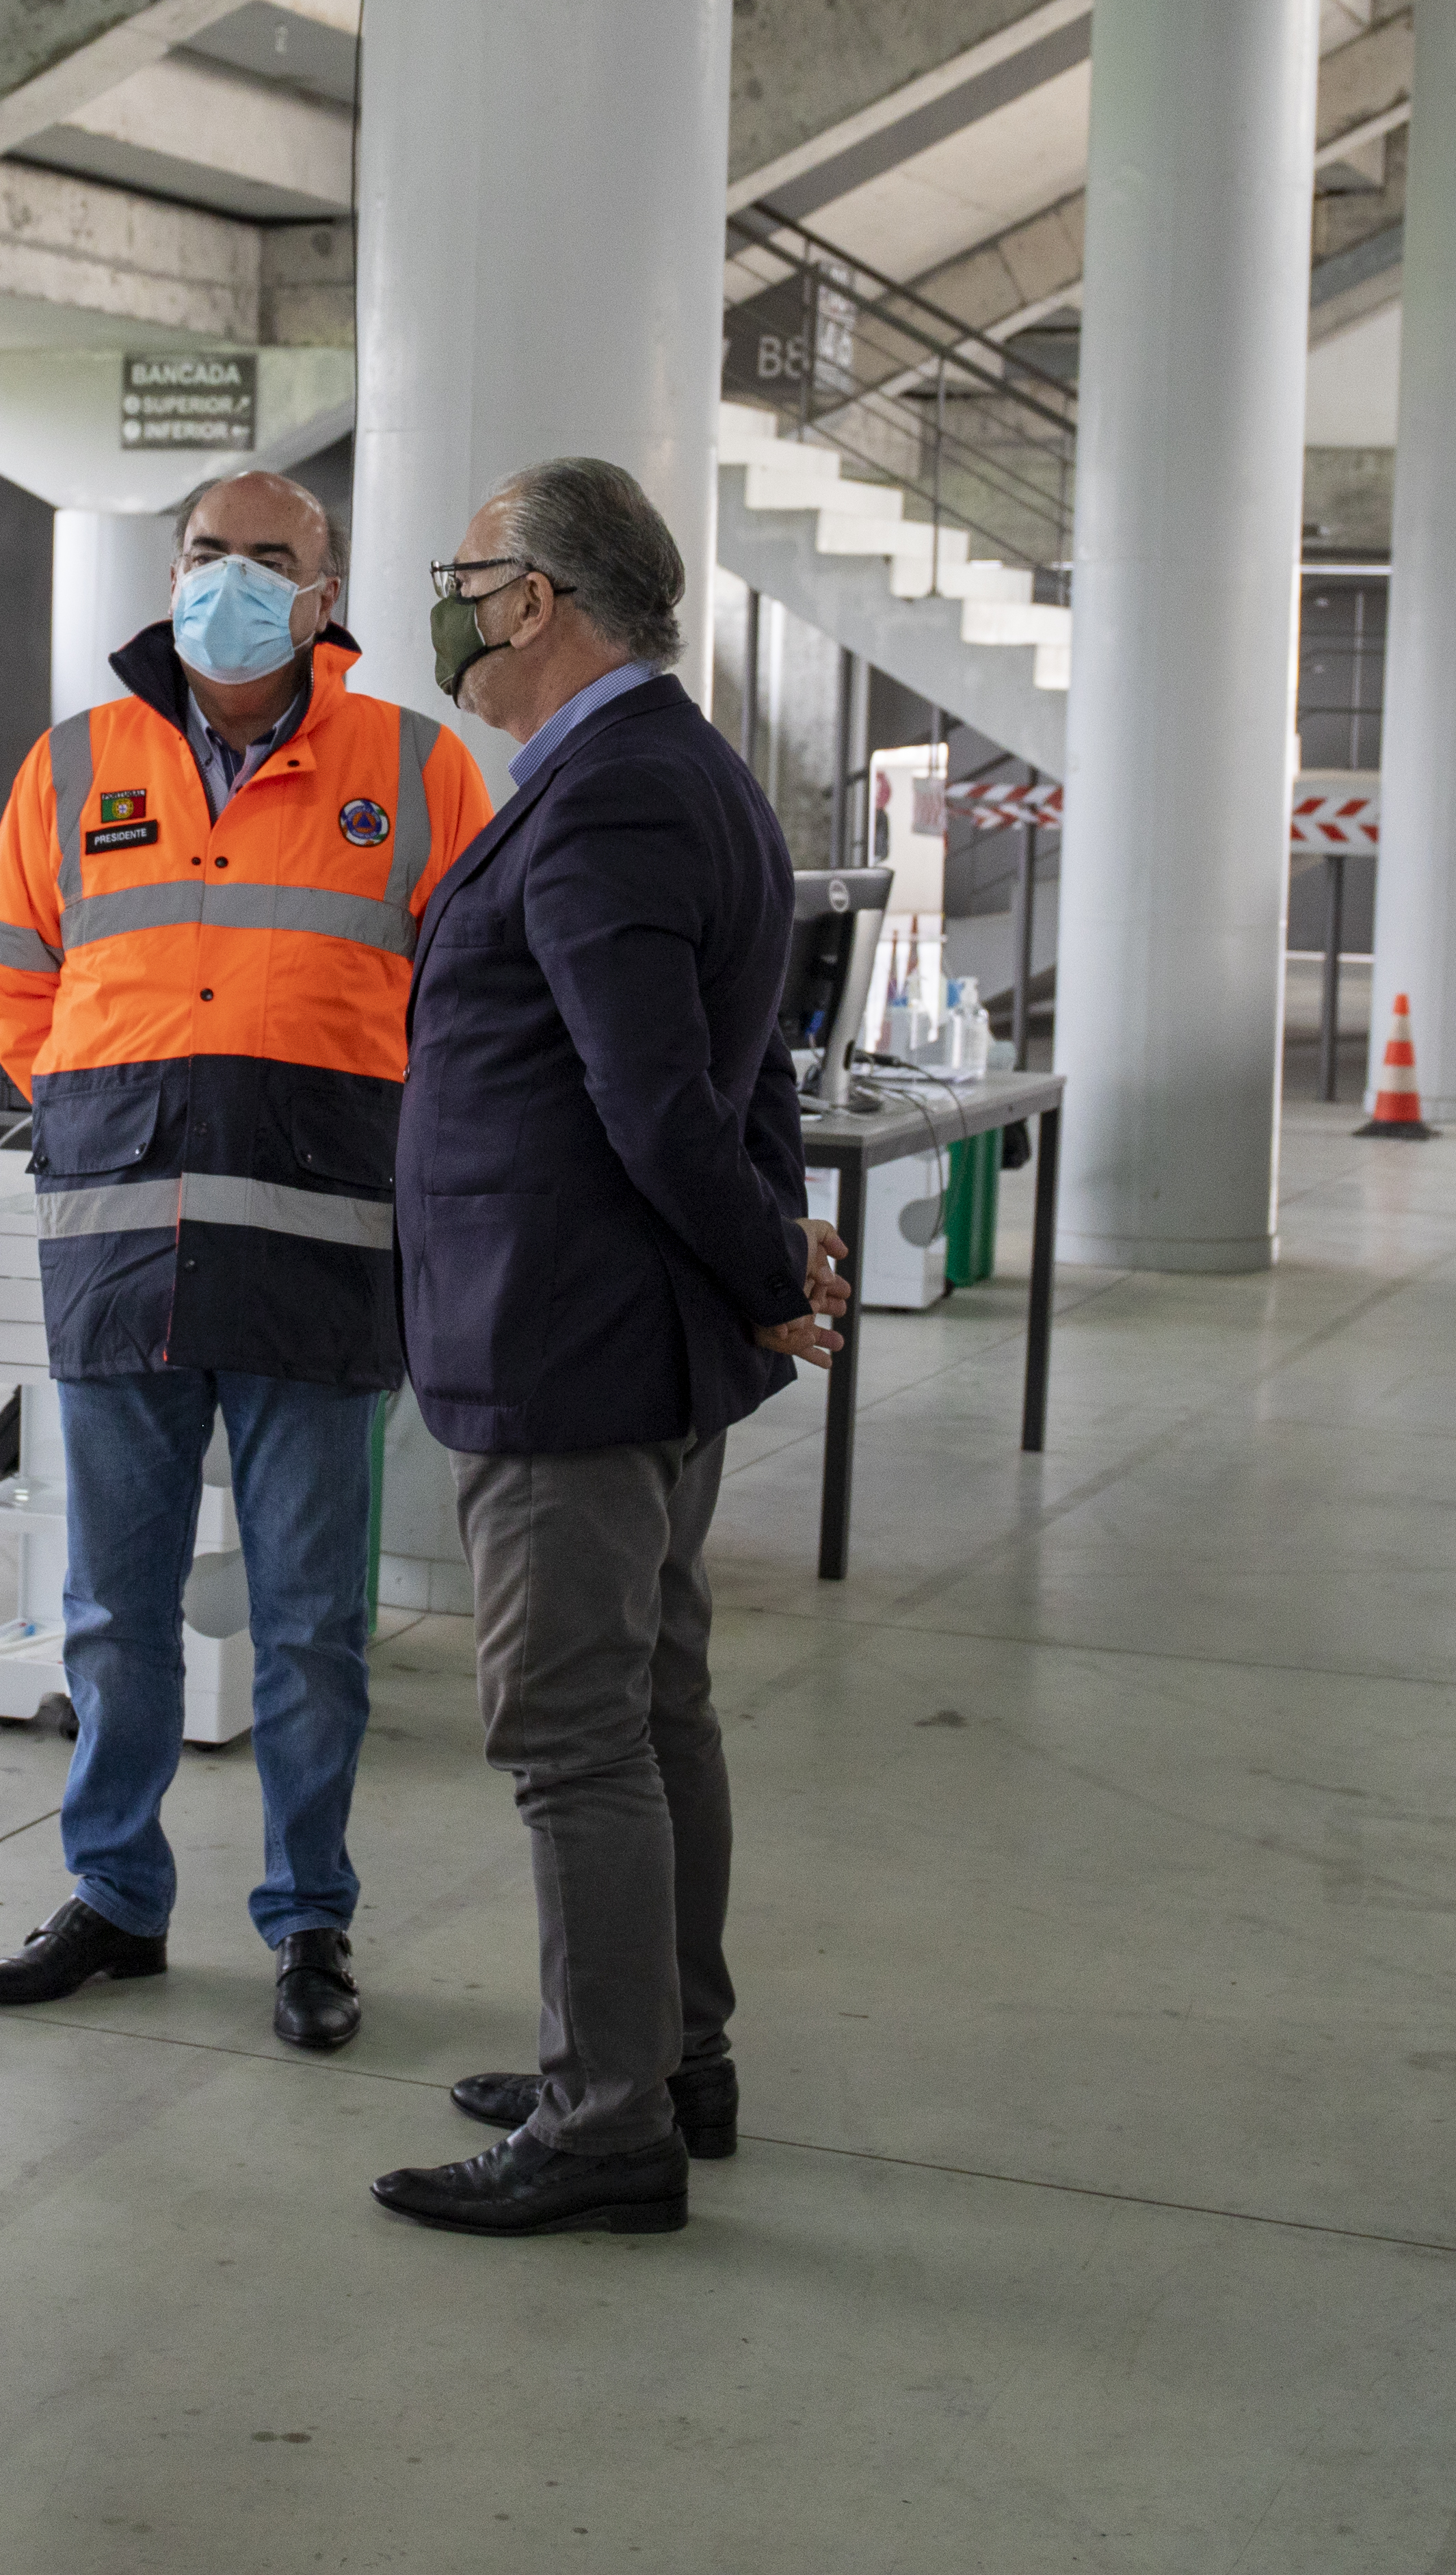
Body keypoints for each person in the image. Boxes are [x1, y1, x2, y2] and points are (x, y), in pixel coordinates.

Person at [369, 458, 849, 2238]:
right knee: (653, 1708)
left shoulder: (611, 798)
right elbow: (757, 1066)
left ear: (539, 600)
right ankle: (660, 2056)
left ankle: (605, 2126)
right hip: (639, 1332)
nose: (449, 606)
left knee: (573, 1731)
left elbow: (657, 1100)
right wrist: (770, 1256)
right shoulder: (672, 774)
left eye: (468, 572)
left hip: (572, 1343)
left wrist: (759, 1268)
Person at [0, 473, 492, 2049]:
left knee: (313, 1625)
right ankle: (114, 1896)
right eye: (208, 554)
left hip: (324, 1254)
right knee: (113, 1615)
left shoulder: (416, 766)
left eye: (273, 558)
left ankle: (309, 1921)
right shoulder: (75, 762)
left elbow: (468, 1003)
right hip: (121, 1247)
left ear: (328, 591)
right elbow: (13, 977)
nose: (235, 582)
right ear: (167, 569)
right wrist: (104, 1113)